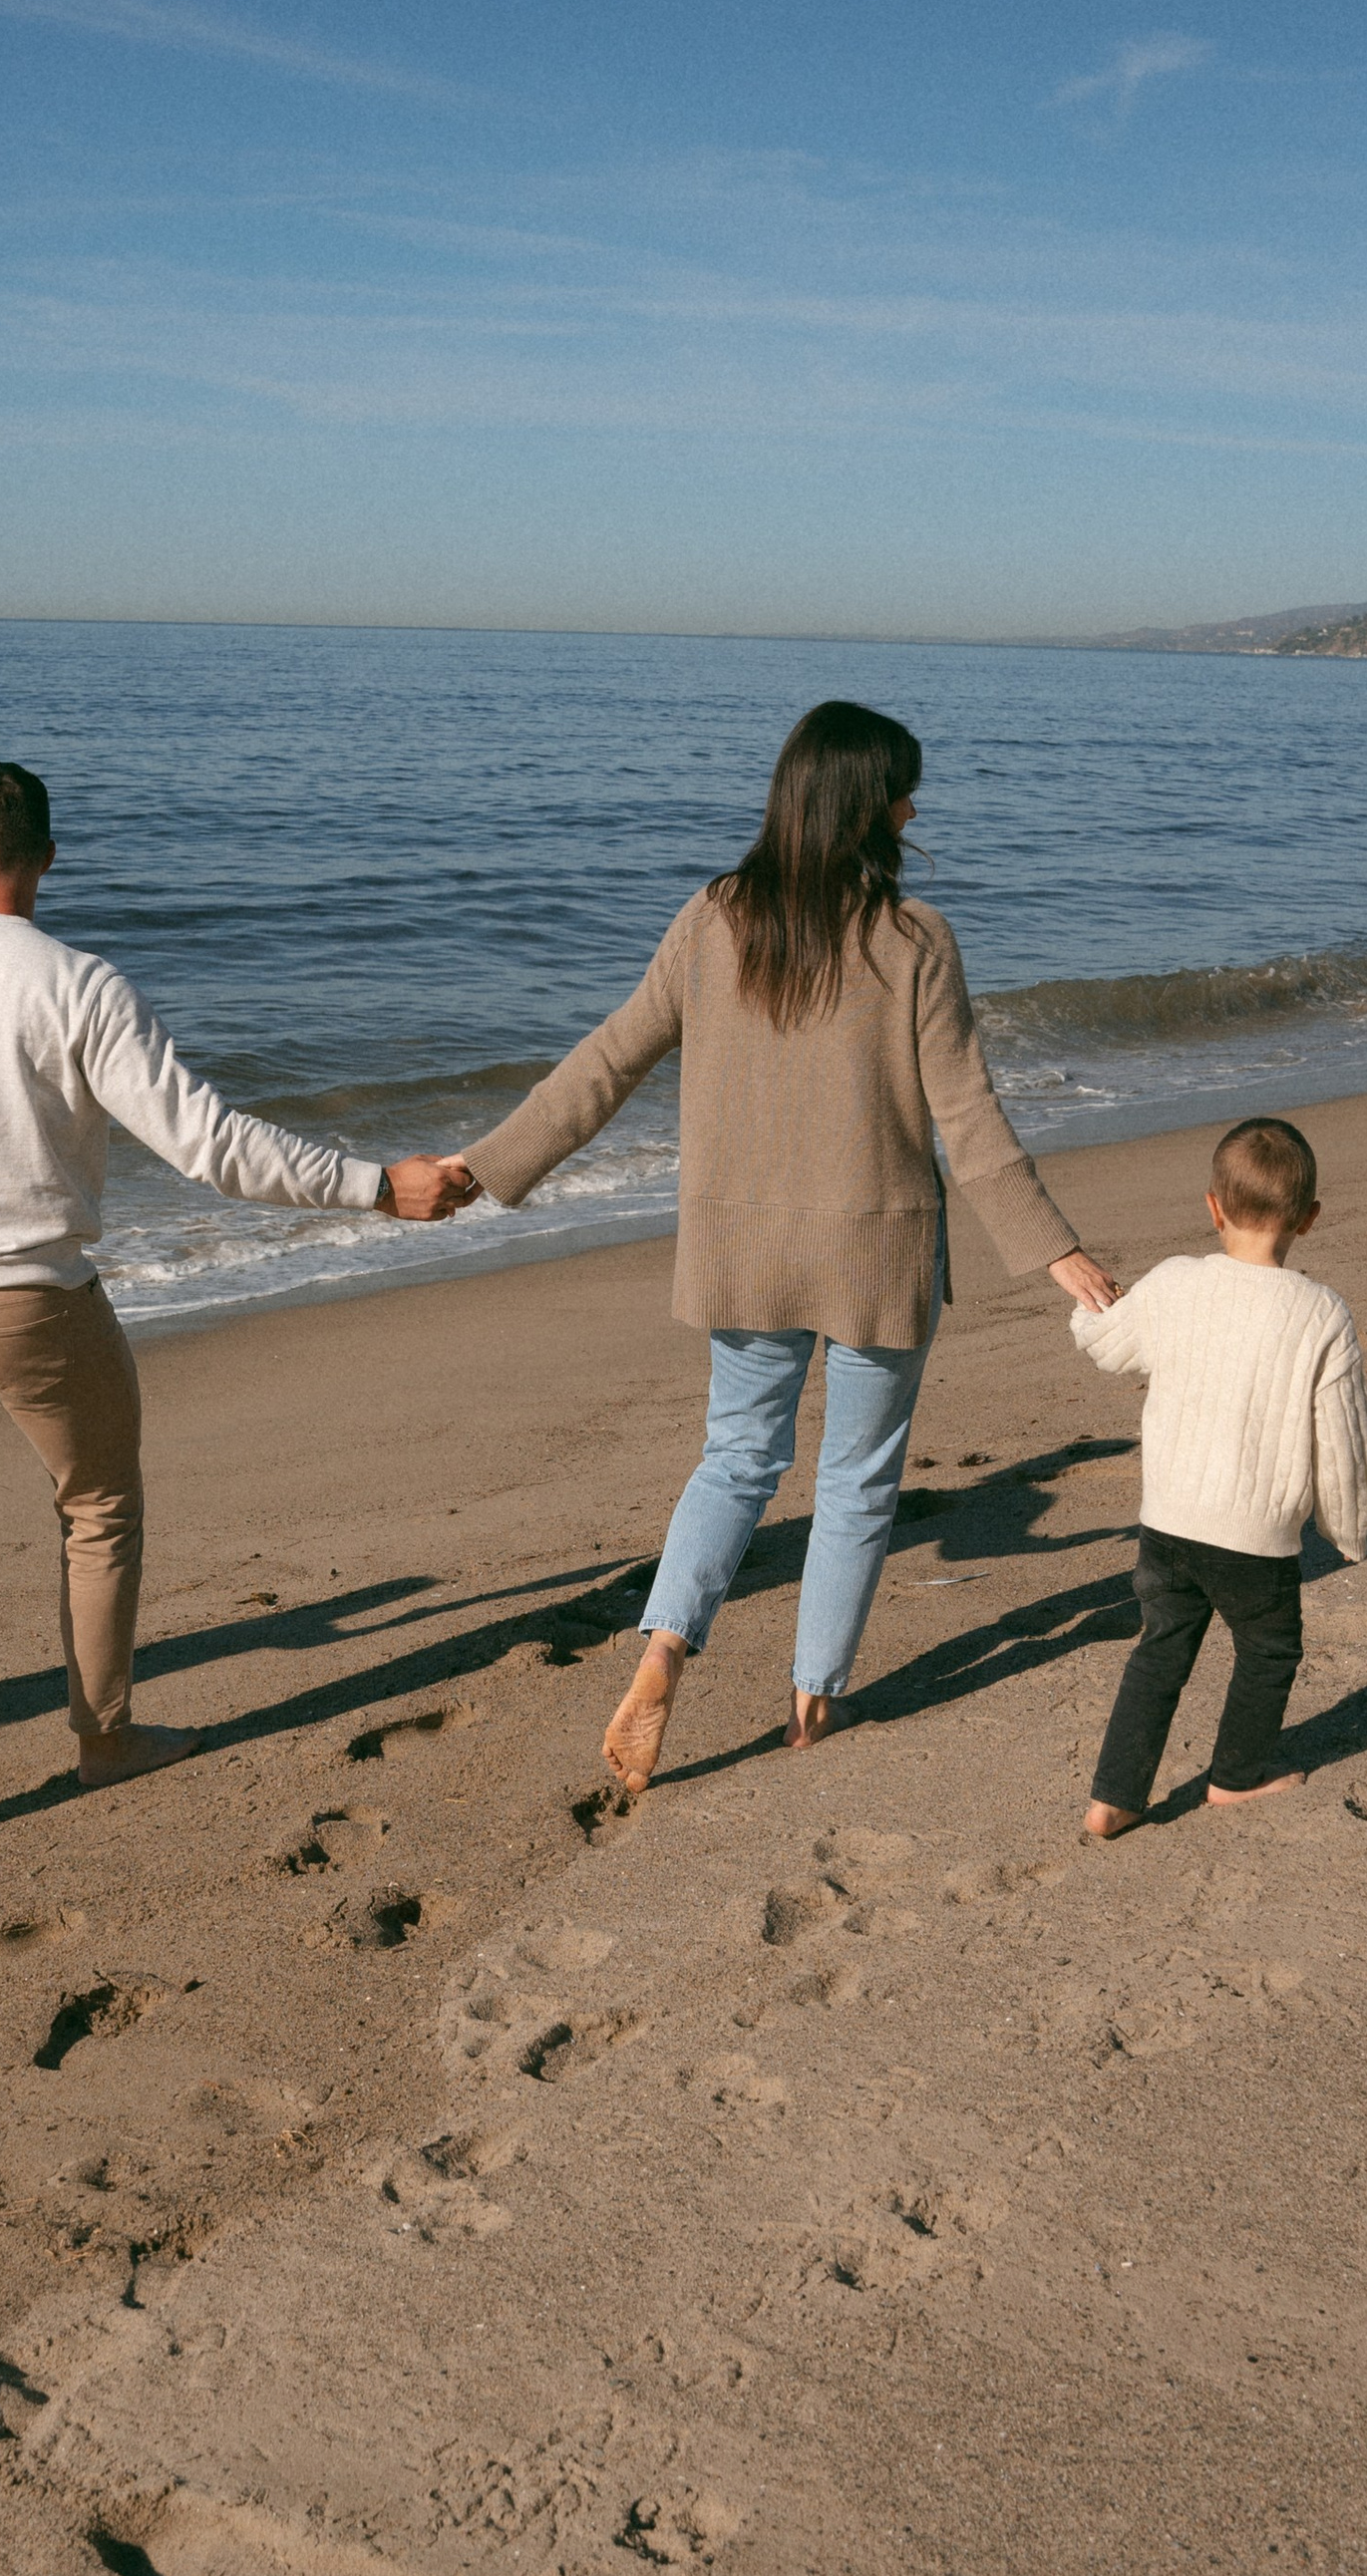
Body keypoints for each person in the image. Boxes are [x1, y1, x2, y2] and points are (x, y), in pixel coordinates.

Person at [0, 760, 472, 1878]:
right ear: (48, 863)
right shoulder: (78, 985)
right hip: (30, 1306)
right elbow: (209, 1145)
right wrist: (372, 1184)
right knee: (100, 1505)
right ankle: (103, 1742)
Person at [448, 702, 1116, 1793]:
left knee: (736, 1459)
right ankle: (813, 1702)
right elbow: (967, 1113)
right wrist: (1051, 1250)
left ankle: (666, 1647)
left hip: (741, 1251)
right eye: (903, 789)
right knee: (855, 1484)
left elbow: (607, 1060)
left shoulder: (713, 920)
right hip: (875, 1253)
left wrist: (489, 1164)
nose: (913, 807)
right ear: (865, 805)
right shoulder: (912, 939)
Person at [1071, 1115, 1367, 1837]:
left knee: (1159, 1650)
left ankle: (1114, 1796)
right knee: (1269, 1650)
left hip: (1169, 1520)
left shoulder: (1176, 1282)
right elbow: (1341, 1439)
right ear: (1309, 1218)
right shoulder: (1321, 1312)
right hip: (1254, 1536)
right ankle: (1234, 1779)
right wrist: (1349, 1527)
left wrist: (1093, 1306)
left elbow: (1109, 1344)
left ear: (1212, 1206)